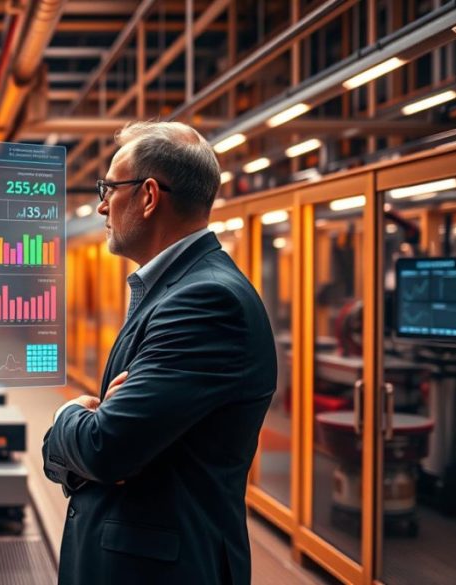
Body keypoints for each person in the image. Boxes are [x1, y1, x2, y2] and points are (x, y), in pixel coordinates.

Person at [42, 121, 277, 584]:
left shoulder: (206, 301)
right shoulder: (176, 290)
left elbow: (106, 447)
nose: (102, 204)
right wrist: (98, 433)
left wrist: (68, 414)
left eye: (110, 188)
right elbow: (112, 446)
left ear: (149, 196)